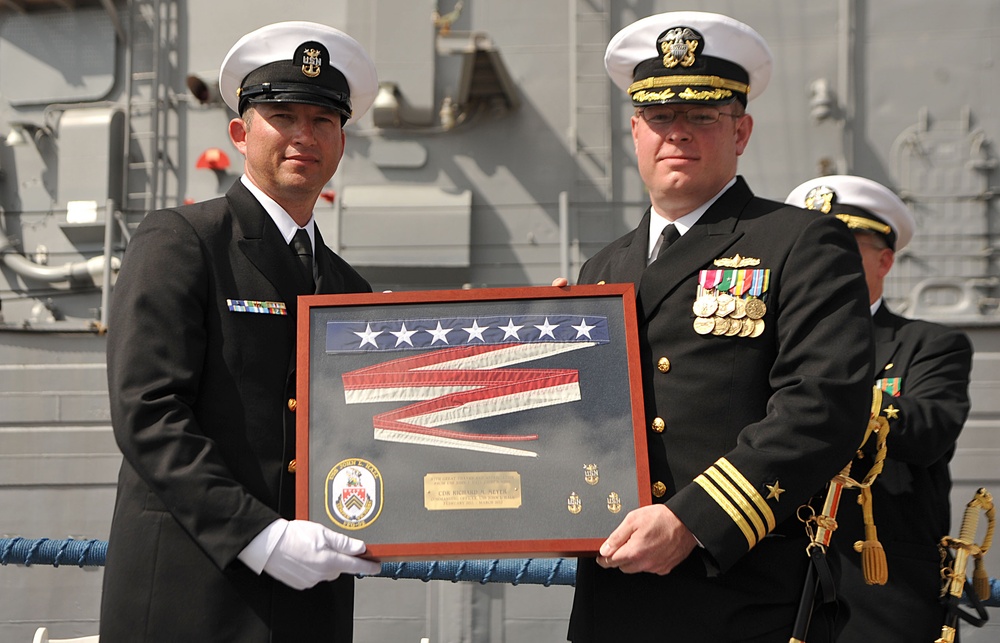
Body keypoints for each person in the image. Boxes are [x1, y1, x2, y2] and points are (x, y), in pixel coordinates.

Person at [565, 12, 875, 642]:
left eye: (702, 116)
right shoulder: (601, 269)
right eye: (659, 117)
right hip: (614, 595)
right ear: (635, 131)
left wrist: (692, 521)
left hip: (741, 594)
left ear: (742, 131)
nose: (677, 133)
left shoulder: (802, 243)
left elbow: (823, 406)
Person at [100, 22, 382, 642]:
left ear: (341, 142)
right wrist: (259, 534)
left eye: (323, 120)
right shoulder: (182, 241)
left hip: (311, 605)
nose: (303, 136)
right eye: (282, 115)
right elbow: (147, 411)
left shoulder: (347, 287)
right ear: (240, 132)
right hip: (193, 597)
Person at [786, 175, 974, 643]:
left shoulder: (930, 344)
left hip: (878, 588)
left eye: (841, 245)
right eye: (811, 246)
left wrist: (824, 395)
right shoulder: (767, 347)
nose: (823, 261)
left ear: (884, 260)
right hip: (770, 581)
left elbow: (930, 429)